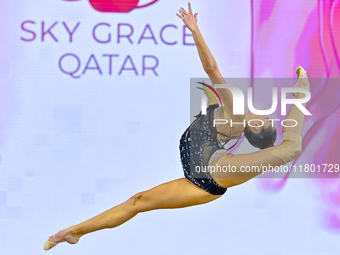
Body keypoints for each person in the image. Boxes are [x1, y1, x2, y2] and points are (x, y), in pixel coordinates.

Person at [43, 2, 309, 250]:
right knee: (137, 201)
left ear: (255, 127)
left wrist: (195, 30)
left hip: (215, 170)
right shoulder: (235, 118)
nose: (266, 114)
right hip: (203, 180)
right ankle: (72, 232)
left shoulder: (238, 112)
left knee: (291, 148)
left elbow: (211, 68)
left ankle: (303, 92)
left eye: (266, 121)